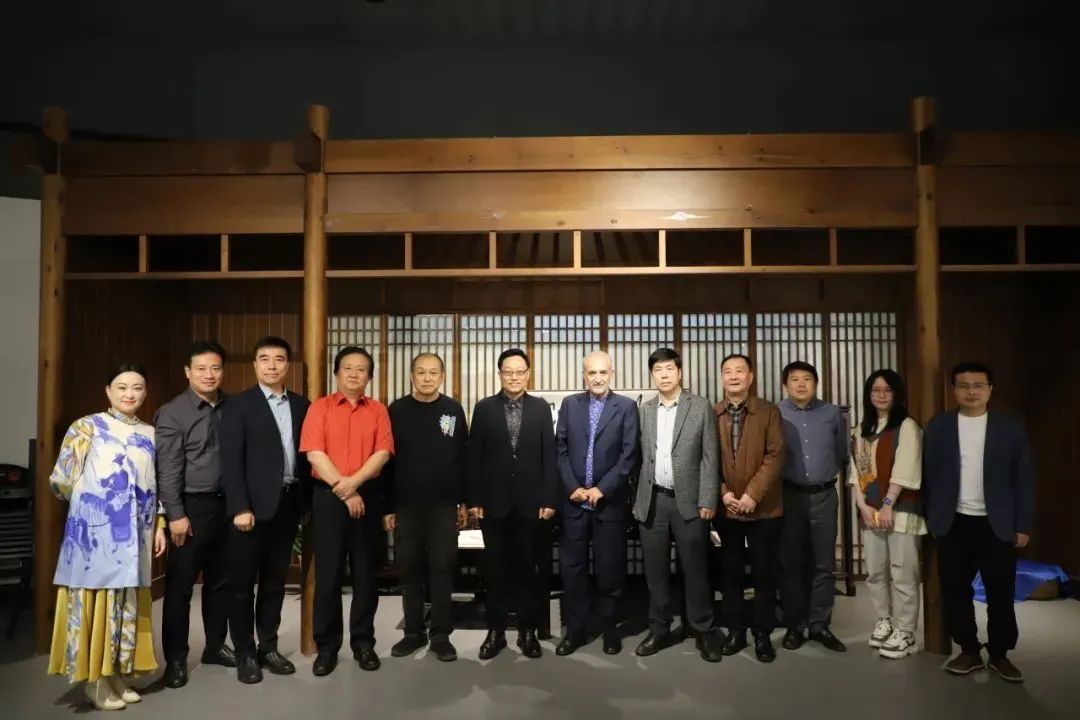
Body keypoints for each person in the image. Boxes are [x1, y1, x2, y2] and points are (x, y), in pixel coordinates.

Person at [47, 363, 166, 711]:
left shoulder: (151, 433)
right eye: (122, 387)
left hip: (137, 533)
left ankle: (114, 673)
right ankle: (94, 681)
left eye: (137, 388)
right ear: (108, 391)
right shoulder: (87, 426)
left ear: (145, 392)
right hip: (96, 535)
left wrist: (159, 523)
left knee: (126, 601)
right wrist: (92, 507)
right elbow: (62, 480)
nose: (130, 394)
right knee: (97, 599)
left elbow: (156, 483)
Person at [924, 362, 1034, 683]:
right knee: (955, 589)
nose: (971, 392)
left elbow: (1024, 479)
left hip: (996, 523)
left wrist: (1023, 525)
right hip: (953, 522)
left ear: (990, 389)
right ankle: (968, 650)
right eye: (963, 385)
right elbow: (929, 474)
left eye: (978, 385)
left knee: (1001, 592)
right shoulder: (940, 426)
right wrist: (933, 517)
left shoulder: (1009, 427)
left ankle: (1000, 654)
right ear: (954, 389)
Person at [220, 336, 311, 684]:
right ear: (255, 365)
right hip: (250, 510)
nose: (272, 365)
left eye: (279, 359)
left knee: (275, 582)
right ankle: (245, 651)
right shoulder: (238, 405)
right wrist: (239, 507)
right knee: (243, 584)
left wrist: (305, 504)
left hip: (288, 505)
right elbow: (231, 461)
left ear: (288, 365)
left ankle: (268, 647)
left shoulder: (302, 405)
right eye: (264, 359)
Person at [300, 346, 394, 676]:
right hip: (328, 497)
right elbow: (314, 453)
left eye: (361, 369)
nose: (354, 374)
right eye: (348, 368)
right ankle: (327, 647)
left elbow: (383, 453)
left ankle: (363, 643)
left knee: (366, 574)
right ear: (337, 372)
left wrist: (354, 484)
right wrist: (345, 489)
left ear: (369, 376)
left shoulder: (378, 410)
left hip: (367, 495)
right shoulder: (320, 408)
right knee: (328, 575)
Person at [632, 348, 723, 663]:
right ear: (652, 375)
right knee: (655, 572)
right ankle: (658, 629)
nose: (664, 375)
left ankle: (703, 630)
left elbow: (710, 456)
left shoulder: (699, 406)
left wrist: (708, 499)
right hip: (653, 501)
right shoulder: (645, 410)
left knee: (695, 570)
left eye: (669, 368)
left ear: (680, 372)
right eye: (658, 370)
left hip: (690, 502)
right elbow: (639, 458)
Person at [466, 348, 558, 660]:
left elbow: (549, 456)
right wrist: (474, 499)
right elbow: (474, 457)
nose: (514, 377)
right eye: (508, 372)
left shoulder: (540, 408)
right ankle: (496, 631)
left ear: (528, 374)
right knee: (494, 571)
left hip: (531, 504)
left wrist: (549, 497)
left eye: (520, 371)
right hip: (493, 504)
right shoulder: (484, 408)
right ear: (500, 374)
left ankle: (527, 631)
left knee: (527, 570)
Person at [156, 341, 236, 688]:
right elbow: (168, 469)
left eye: (215, 368)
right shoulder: (173, 412)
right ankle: (176, 659)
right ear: (188, 372)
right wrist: (176, 514)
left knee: (221, 582)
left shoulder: (233, 407)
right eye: (201, 368)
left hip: (229, 506)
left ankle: (215, 647)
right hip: (191, 507)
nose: (209, 375)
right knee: (181, 587)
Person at [383, 353, 468, 662]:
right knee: (410, 570)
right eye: (421, 372)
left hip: (444, 505)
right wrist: (388, 507)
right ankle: (413, 632)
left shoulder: (453, 410)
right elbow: (386, 461)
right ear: (412, 376)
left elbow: (463, 457)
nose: (427, 378)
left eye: (433, 373)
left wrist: (464, 501)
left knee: (442, 569)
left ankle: (441, 635)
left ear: (442, 377)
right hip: (406, 505)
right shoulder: (396, 410)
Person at [554, 351, 639, 656]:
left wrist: (602, 489)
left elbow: (629, 455)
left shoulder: (626, 407)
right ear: (584, 376)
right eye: (592, 373)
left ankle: (609, 629)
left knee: (610, 570)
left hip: (609, 503)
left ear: (611, 374)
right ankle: (575, 631)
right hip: (574, 503)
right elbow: (560, 450)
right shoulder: (570, 405)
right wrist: (572, 487)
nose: (598, 378)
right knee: (573, 570)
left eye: (603, 372)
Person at [848, 370, 926, 659]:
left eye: (887, 390)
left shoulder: (907, 427)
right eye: (875, 390)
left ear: (897, 394)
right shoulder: (862, 430)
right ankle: (885, 620)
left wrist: (888, 504)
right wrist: (862, 505)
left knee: (903, 572)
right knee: (876, 571)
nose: (881, 395)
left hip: (900, 509)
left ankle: (906, 631)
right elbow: (857, 473)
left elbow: (905, 469)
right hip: (871, 510)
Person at [714, 354, 785, 663]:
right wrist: (723, 494)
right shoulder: (712, 413)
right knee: (730, 574)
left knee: (764, 574)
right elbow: (705, 459)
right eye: (727, 371)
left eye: (739, 371)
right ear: (722, 378)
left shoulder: (768, 412)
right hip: (726, 508)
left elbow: (776, 455)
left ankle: (762, 634)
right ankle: (735, 631)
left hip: (764, 508)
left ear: (750, 377)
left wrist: (753, 495)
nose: (733, 376)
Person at [777, 361, 849, 652]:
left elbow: (841, 453)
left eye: (807, 378)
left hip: (824, 496)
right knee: (791, 563)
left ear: (816, 383)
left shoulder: (832, 413)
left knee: (824, 563)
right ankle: (795, 625)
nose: (801, 384)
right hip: (789, 495)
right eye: (794, 379)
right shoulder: (776, 413)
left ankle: (820, 625)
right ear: (785, 385)